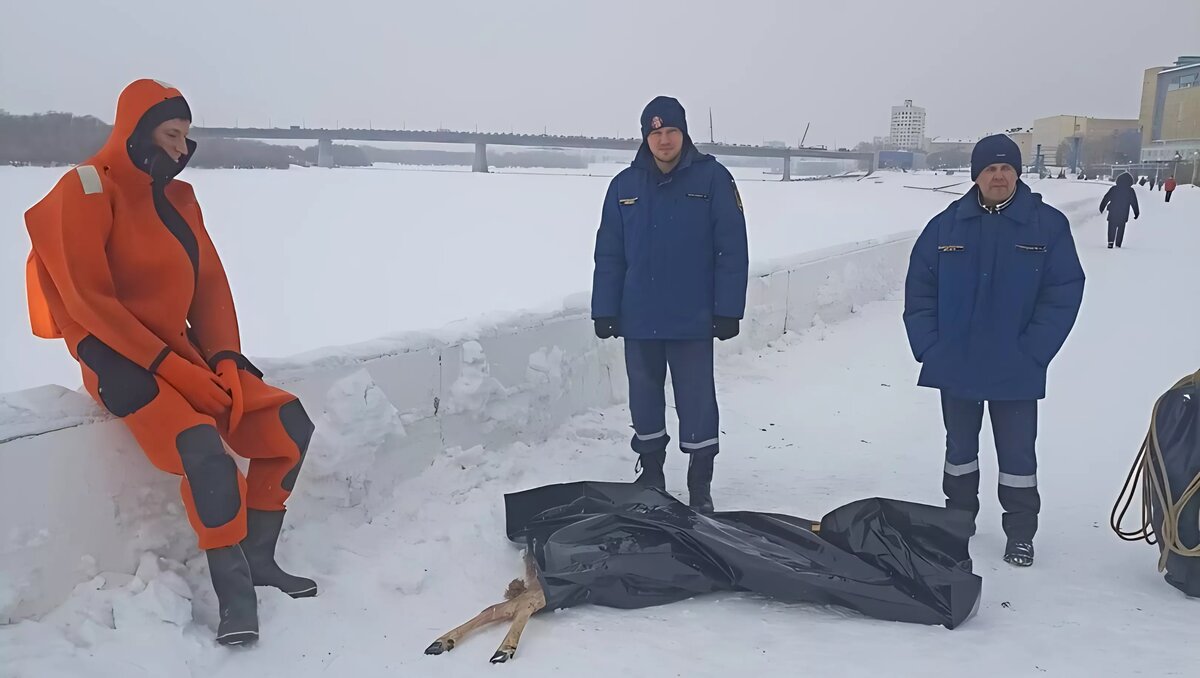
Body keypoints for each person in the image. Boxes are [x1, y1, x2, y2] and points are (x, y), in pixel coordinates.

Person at [23, 79, 316, 646]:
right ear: (136, 131)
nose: (182, 150)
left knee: (287, 426)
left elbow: (208, 286)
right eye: (171, 135)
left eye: (186, 137)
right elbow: (89, 301)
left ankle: (259, 558)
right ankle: (234, 597)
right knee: (203, 453)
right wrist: (173, 370)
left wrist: (226, 359)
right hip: (116, 358)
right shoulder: (84, 188)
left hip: (180, 350)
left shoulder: (177, 198)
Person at [902, 134, 1085, 567]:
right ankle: (957, 523)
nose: (998, 176)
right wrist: (930, 347)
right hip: (956, 362)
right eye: (990, 169)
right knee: (959, 451)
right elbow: (919, 291)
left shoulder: (1046, 225)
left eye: (1006, 168)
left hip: (1015, 364)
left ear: (1017, 174)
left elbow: (1063, 292)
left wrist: (1035, 351)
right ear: (976, 176)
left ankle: (1020, 532)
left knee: (1018, 455)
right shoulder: (946, 226)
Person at [590, 96, 749, 513]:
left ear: (684, 134)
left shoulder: (713, 179)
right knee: (643, 396)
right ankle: (653, 473)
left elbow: (731, 249)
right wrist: (605, 308)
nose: (664, 140)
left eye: (671, 131)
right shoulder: (624, 186)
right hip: (638, 315)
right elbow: (609, 252)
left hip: (692, 317)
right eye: (656, 133)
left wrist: (728, 308)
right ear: (646, 137)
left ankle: (700, 481)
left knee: (697, 399)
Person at [1100, 172, 1140, 248]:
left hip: (1113, 212)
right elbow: (1134, 202)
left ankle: (1110, 242)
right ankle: (1118, 244)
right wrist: (1136, 212)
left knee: (1111, 227)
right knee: (1121, 229)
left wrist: (1102, 207)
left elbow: (1106, 198)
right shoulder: (1130, 190)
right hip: (1123, 213)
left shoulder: (1114, 189)